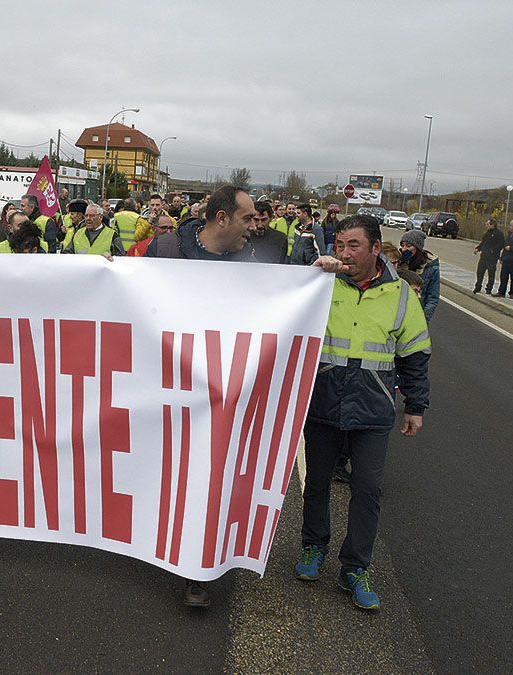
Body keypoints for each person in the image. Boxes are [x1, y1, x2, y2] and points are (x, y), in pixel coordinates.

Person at [144, 186, 342, 607]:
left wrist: (317, 273)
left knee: (209, 477)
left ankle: (196, 570)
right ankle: (154, 539)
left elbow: (285, 294)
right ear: (221, 219)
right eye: (248, 218)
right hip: (168, 386)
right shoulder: (165, 248)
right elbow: (129, 298)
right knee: (166, 473)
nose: (256, 226)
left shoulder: (254, 259)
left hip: (221, 394)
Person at [294, 214, 430, 612]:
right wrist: (312, 273)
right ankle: (312, 548)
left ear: (375, 249)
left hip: (372, 409)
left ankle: (355, 568)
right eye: (340, 245)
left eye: (354, 245)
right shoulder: (321, 284)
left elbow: (416, 353)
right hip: (323, 402)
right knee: (316, 482)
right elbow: (282, 308)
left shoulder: (401, 295)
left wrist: (416, 406)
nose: (345, 253)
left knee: (367, 490)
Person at [399, 229, 440, 322]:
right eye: (402, 245)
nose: (404, 249)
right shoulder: (399, 261)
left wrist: (423, 320)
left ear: (417, 248)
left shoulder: (431, 267)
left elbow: (432, 297)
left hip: (417, 315)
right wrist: (400, 263)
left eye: (408, 246)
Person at [473, 218, 506, 294]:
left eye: (487, 224)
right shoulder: (487, 233)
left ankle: (489, 288)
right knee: (480, 272)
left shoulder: (499, 234)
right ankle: (478, 286)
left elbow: (501, 244)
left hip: (492, 257)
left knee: (491, 274)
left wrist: (493, 250)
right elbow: (483, 242)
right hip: (484, 256)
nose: (486, 225)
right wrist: (478, 248)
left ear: (492, 225)